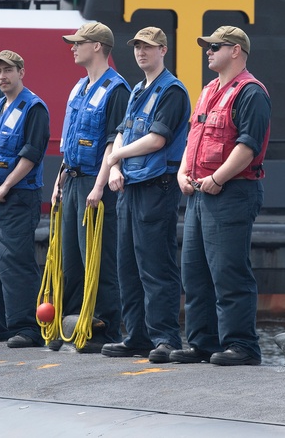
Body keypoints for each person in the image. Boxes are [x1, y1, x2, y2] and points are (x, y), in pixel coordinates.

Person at [173, 26, 271, 366]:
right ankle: (203, 343)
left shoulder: (251, 93)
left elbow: (248, 147)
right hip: (201, 193)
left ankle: (242, 346)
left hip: (232, 191)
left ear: (236, 51)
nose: (208, 51)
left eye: (216, 46)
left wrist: (217, 177)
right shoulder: (208, 90)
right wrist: (183, 171)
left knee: (229, 271)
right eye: (207, 46)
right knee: (195, 272)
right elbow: (193, 136)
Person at [102, 27, 189, 364]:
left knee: (155, 264)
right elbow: (123, 131)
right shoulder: (138, 88)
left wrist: (114, 158)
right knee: (128, 265)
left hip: (157, 185)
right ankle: (136, 335)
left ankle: (165, 337)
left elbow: (157, 140)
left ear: (163, 50)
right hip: (132, 185)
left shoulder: (172, 91)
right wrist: (115, 168)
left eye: (148, 47)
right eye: (137, 47)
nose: (141, 52)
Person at [52, 22, 130, 351]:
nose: (72, 47)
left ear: (97, 46)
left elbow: (113, 144)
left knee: (98, 259)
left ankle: (104, 329)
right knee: (71, 261)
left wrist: (98, 188)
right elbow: (69, 144)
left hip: (93, 184)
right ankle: (71, 325)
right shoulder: (78, 88)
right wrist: (58, 183)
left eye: (78, 42)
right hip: (72, 181)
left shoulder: (117, 89)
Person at [0, 50, 49, 348]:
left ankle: (27, 327)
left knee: (15, 264)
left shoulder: (34, 108)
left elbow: (31, 154)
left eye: (8, 70)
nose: (2, 76)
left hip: (17, 200)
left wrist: (5, 187)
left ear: (21, 72)